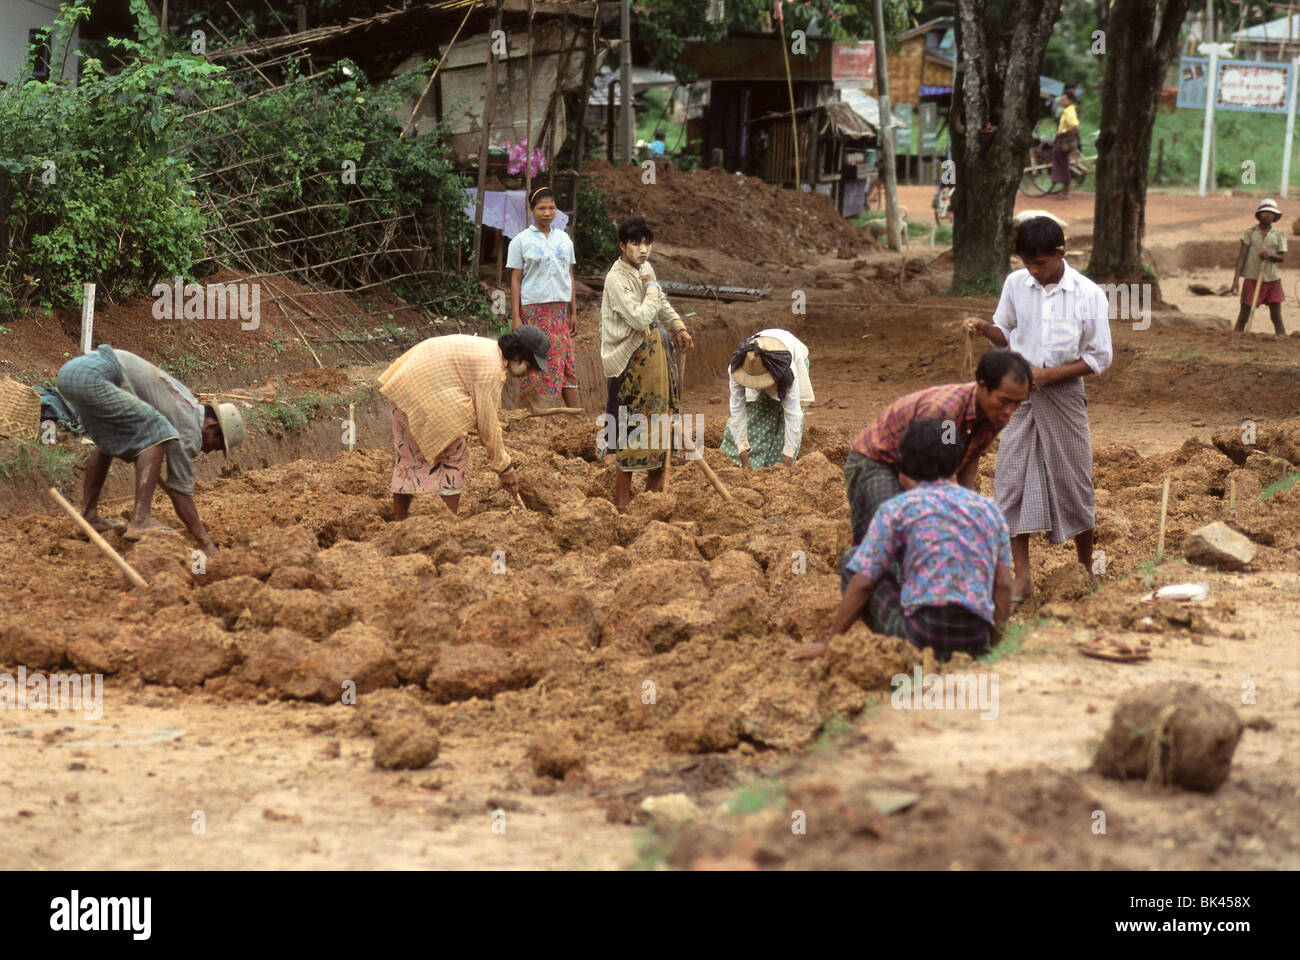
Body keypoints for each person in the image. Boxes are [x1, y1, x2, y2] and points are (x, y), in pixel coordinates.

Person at [964, 215, 1112, 602]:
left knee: (1075, 482)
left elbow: (1100, 357)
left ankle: (1084, 568)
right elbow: (1006, 335)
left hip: (1063, 396)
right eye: (1027, 263)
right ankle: (1023, 576)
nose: (1033, 270)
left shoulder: (1088, 294)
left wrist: (1049, 375)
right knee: (1010, 481)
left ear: (1060, 254)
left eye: (1040, 263)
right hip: (1018, 396)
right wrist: (984, 329)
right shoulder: (1016, 284)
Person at [789, 419, 1012, 661]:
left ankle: (898, 655)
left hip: (920, 638)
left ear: (906, 466)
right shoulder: (989, 509)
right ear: (957, 463)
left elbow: (863, 582)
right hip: (976, 640)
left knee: (853, 560)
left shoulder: (898, 509)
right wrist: (994, 645)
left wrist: (830, 643)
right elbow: (1003, 585)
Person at [56, 344, 245, 553]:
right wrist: (205, 541)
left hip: (72, 373)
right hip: (95, 375)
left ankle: (88, 516)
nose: (208, 452)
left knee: (108, 441)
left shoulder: (186, 402)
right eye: (216, 446)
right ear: (211, 427)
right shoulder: (191, 429)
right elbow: (178, 490)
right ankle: (141, 519)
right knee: (159, 431)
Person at [844, 348, 1032, 549]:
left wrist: (965, 501)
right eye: (1004, 401)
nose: (1009, 411)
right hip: (877, 461)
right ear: (982, 387)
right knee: (885, 535)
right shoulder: (945, 413)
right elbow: (919, 471)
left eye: (1017, 403)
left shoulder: (996, 415)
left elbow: (968, 457)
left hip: (917, 469)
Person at [378, 327, 550, 521]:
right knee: (455, 455)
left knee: (408, 453)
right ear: (518, 355)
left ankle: (398, 521)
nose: (527, 374)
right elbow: (487, 423)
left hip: (405, 385)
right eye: (529, 366)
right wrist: (504, 466)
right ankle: (449, 522)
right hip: (425, 388)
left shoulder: (488, 350)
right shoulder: (492, 369)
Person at [599, 216, 695, 512]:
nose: (643, 250)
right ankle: (623, 503)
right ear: (622, 246)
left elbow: (660, 303)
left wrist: (678, 326)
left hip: (655, 358)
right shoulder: (616, 279)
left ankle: (652, 499)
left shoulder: (646, 269)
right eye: (635, 244)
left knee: (659, 425)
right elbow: (640, 318)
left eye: (646, 243)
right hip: (629, 360)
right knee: (629, 429)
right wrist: (652, 289)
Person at [507, 186, 581, 408]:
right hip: (533, 312)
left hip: (559, 313)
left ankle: (577, 417)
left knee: (565, 360)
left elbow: (569, 275)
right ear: (532, 210)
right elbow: (515, 280)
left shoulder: (564, 240)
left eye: (551, 208)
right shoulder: (520, 241)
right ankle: (535, 418)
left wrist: (573, 311)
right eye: (541, 208)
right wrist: (516, 317)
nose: (547, 212)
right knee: (535, 360)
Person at [720, 329, 814, 470]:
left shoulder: (788, 371)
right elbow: (737, 410)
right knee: (757, 415)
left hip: (790, 361)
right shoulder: (738, 366)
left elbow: (793, 415)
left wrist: (786, 466)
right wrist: (743, 457)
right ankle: (747, 463)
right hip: (762, 365)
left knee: (782, 426)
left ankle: (776, 466)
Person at [1230, 198, 1288, 336]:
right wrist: (1236, 280)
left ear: (1275, 217)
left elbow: (1282, 258)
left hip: (1272, 279)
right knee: (1243, 316)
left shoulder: (1279, 234)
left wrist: (1270, 256)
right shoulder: (1249, 233)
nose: (1267, 215)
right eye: (1264, 212)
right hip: (1252, 278)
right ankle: (1236, 341)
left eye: (1271, 213)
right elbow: (1242, 256)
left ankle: (1282, 340)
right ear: (1259, 215)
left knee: (1276, 317)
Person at [1052, 90, 1080, 199]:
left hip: (1065, 142)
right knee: (1063, 165)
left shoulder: (1070, 111)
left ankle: (1067, 192)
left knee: (1064, 166)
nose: (1062, 101)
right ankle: (1064, 191)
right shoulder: (1067, 110)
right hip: (1062, 140)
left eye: (1064, 99)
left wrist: (1062, 132)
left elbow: (1075, 126)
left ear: (1069, 100)